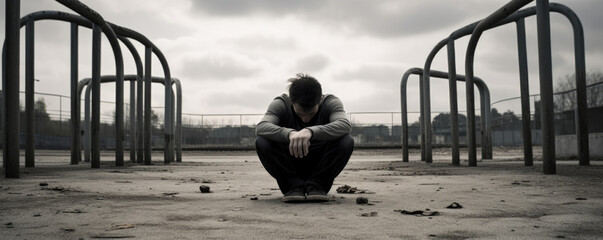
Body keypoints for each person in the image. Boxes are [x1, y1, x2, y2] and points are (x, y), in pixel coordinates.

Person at [255, 73, 354, 203]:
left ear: (320, 100)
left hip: (321, 164)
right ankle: (293, 186)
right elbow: (261, 127)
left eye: (311, 113)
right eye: (300, 113)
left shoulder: (330, 102)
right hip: (290, 164)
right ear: (292, 101)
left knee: (346, 141)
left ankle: (317, 185)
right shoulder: (281, 103)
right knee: (262, 141)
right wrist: (290, 134)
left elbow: (344, 125)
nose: (305, 119)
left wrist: (310, 131)